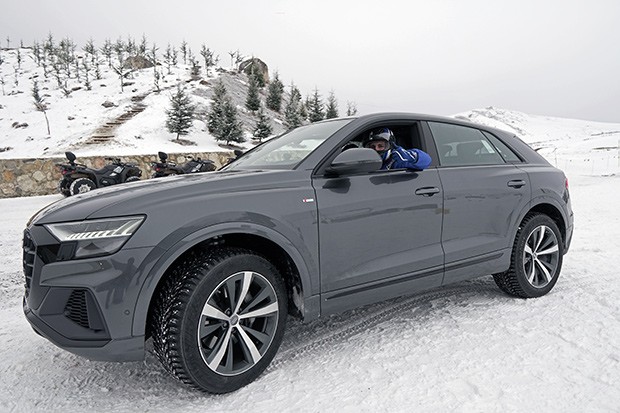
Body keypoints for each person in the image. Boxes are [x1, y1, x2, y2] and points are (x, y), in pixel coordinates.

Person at [363, 127, 431, 170]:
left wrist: (408, 156)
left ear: (390, 145)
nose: (376, 149)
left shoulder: (396, 160)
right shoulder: (365, 163)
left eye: (380, 146)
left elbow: (426, 160)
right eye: (372, 147)